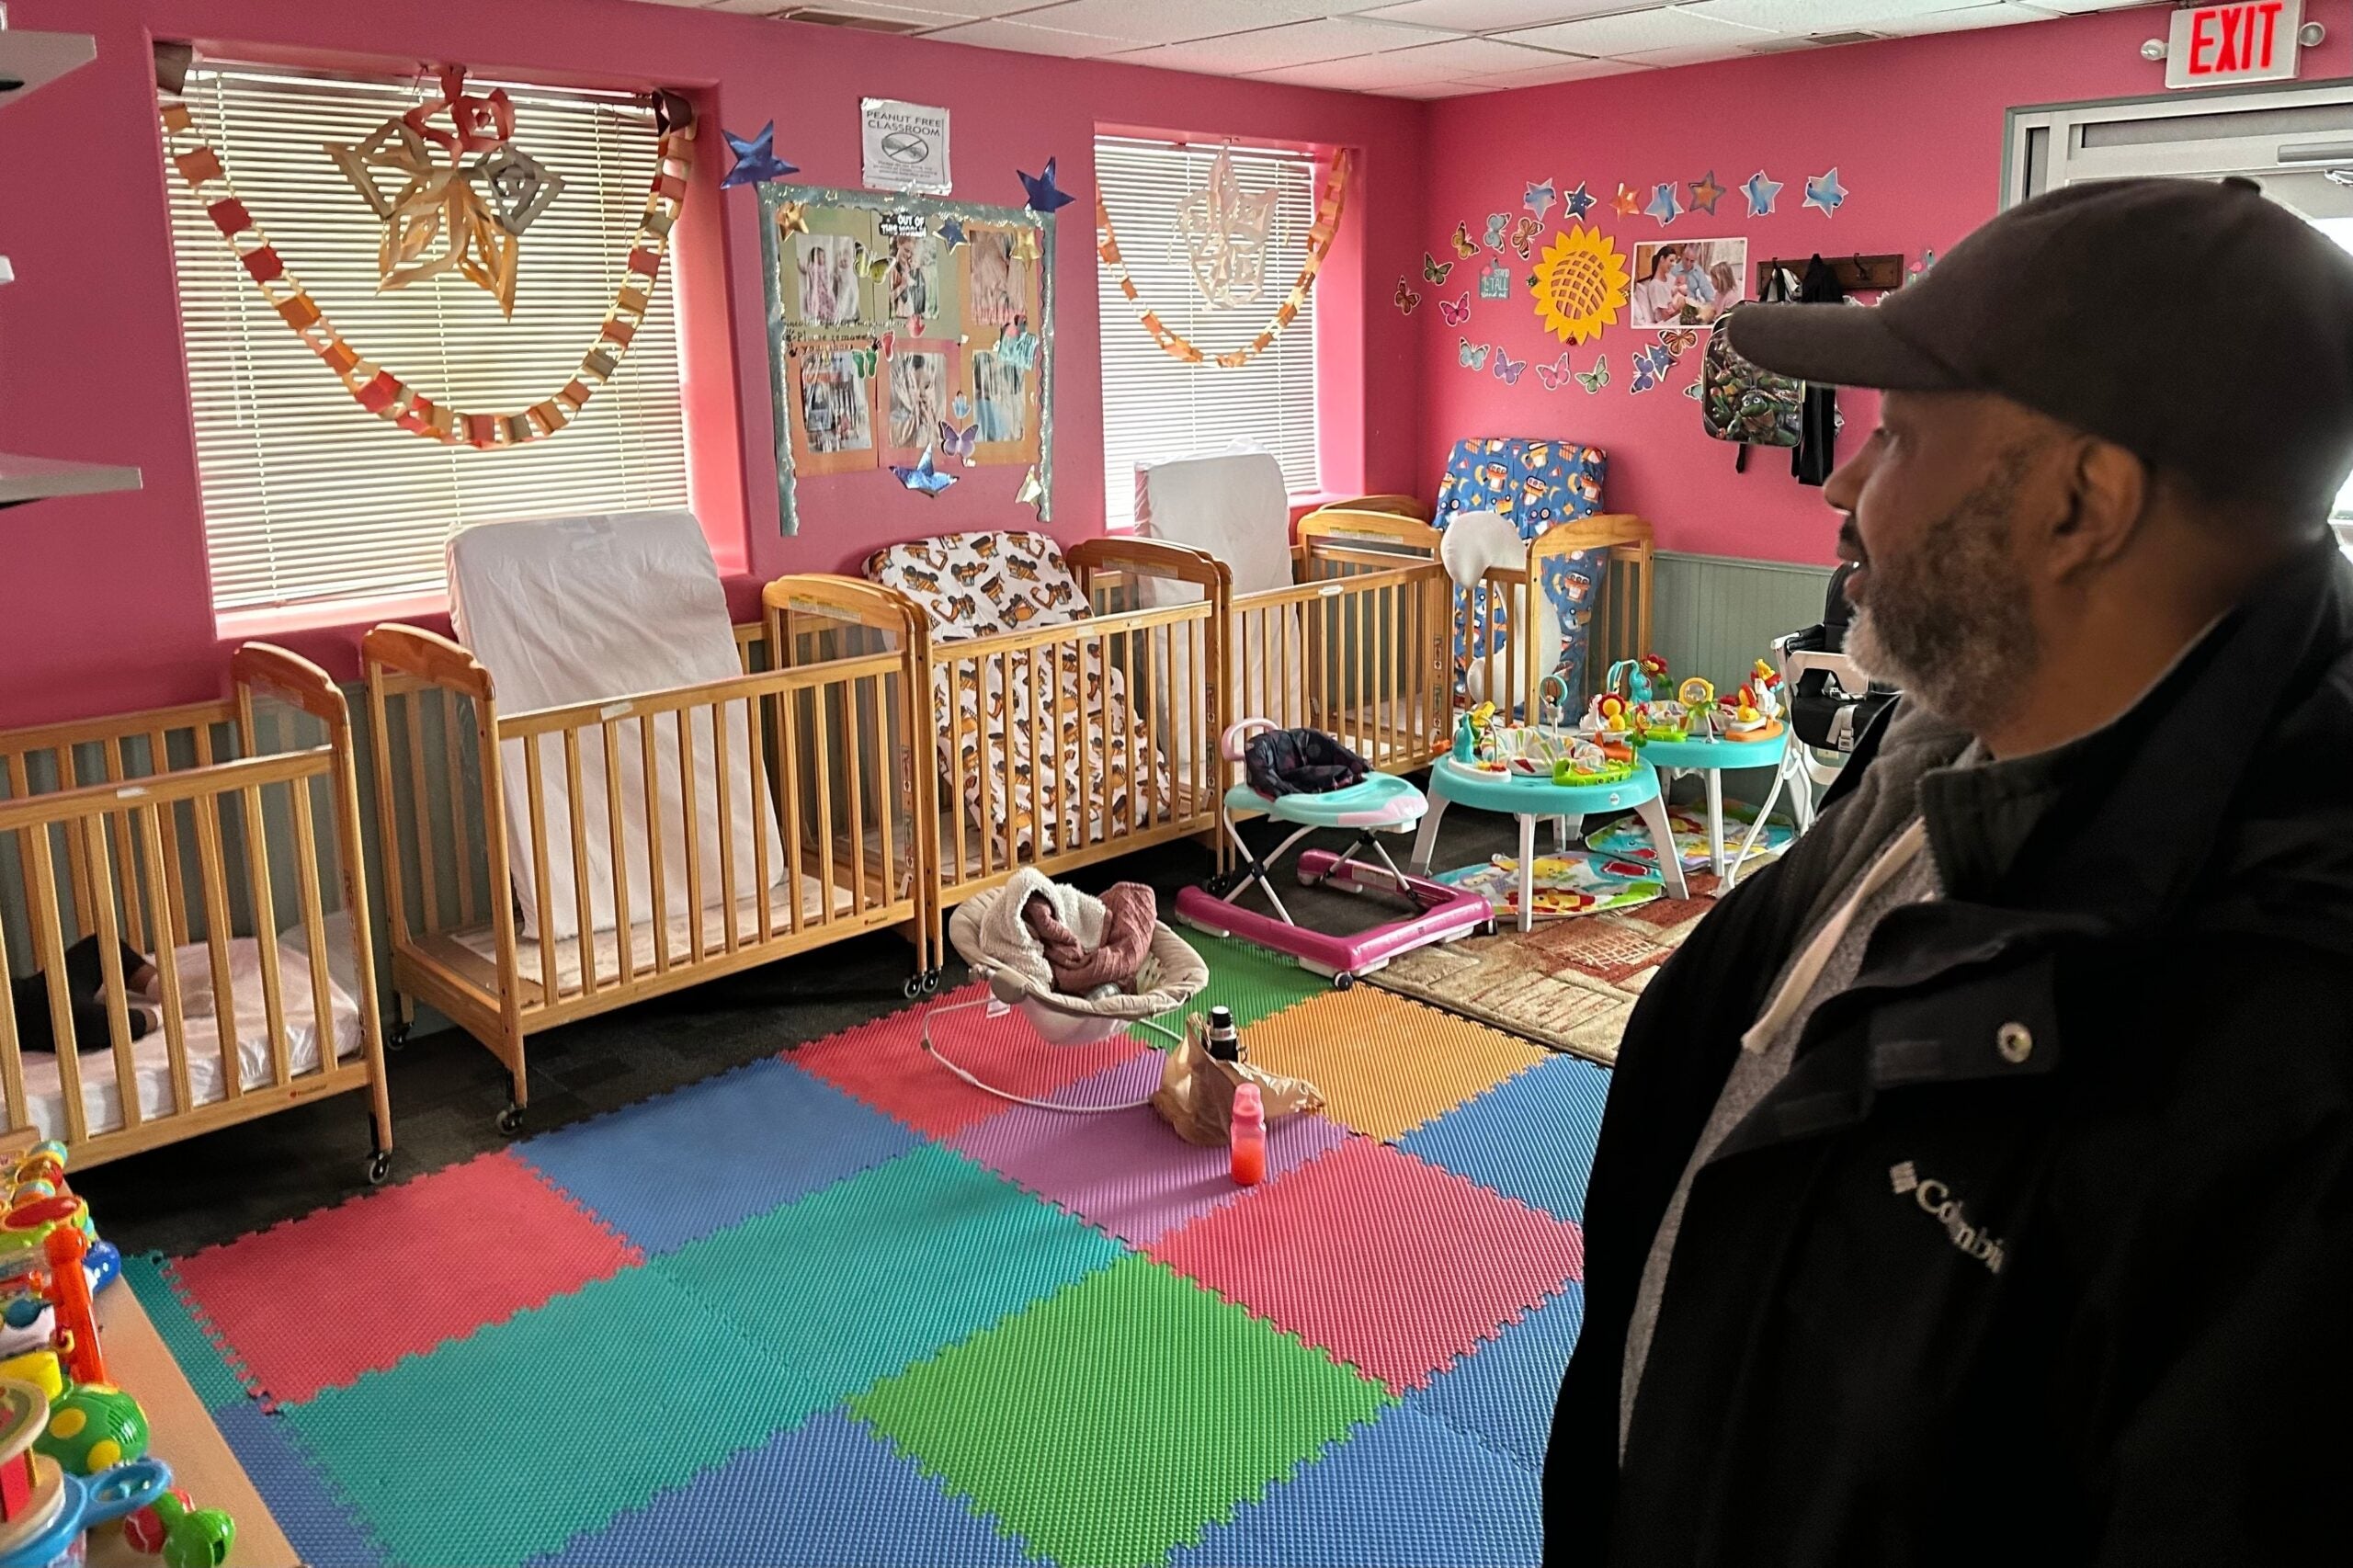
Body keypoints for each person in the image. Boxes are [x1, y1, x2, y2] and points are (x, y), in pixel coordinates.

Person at [1546, 176, 2353, 1566]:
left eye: (1905, 435)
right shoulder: (1957, 721)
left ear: (2078, 503)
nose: (1849, 482)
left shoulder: (2288, 1063)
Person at [1631, 245, 1685, 326]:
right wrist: (1680, 308)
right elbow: (1665, 316)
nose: (1673, 264)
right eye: (1671, 260)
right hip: (1669, 322)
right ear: (1662, 259)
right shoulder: (1656, 285)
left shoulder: (1670, 278)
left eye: (1674, 261)